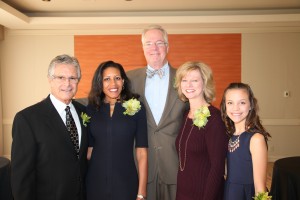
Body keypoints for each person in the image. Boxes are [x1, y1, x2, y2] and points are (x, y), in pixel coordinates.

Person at [11, 54, 88, 200]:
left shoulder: (83, 112)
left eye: (72, 78)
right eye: (60, 78)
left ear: (78, 81)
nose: (67, 84)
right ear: (50, 79)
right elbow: (21, 177)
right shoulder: (27, 119)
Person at [127, 24, 187, 200]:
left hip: (176, 163)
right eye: (149, 43)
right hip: (143, 165)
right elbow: (103, 98)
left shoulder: (184, 78)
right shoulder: (129, 79)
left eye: (159, 43)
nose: (154, 48)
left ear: (167, 47)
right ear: (143, 48)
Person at [85, 60, 148, 200]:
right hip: (95, 183)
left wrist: (142, 192)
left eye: (117, 78)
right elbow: (89, 151)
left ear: (123, 81)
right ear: (99, 83)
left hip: (126, 183)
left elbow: (142, 152)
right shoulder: (91, 109)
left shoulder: (136, 107)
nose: (113, 84)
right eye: (106, 79)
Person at [174, 61, 228, 200]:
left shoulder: (215, 119)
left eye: (194, 80)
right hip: (183, 192)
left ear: (204, 83)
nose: (188, 85)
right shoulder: (185, 115)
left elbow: (217, 168)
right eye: (184, 80)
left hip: (204, 193)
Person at [220, 82, 271, 200]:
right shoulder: (228, 135)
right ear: (225, 106)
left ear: (251, 105)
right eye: (230, 103)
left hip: (246, 195)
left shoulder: (256, 139)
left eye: (242, 102)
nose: (235, 108)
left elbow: (260, 188)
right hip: (229, 191)